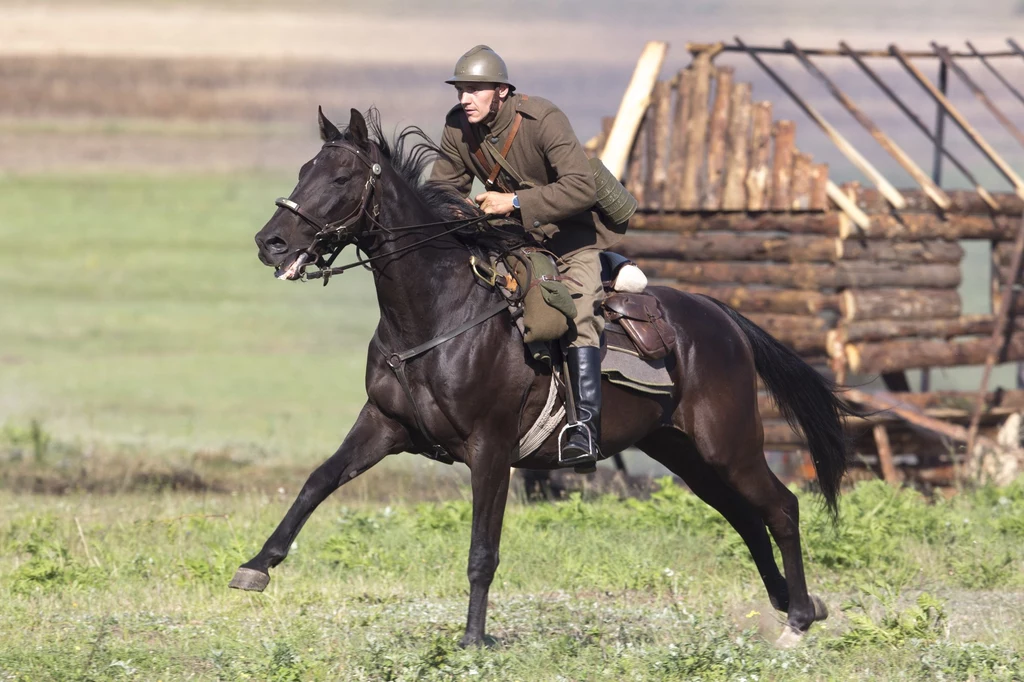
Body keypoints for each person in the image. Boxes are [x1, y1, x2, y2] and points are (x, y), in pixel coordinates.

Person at [428, 45, 627, 471]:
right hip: (511, 239)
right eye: (461, 89)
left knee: (577, 312)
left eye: (475, 89)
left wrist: (514, 202)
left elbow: (581, 188)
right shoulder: (457, 125)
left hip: (571, 237)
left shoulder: (543, 119)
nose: (465, 97)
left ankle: (584, 429)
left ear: (500, 91)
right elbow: (443, 187)